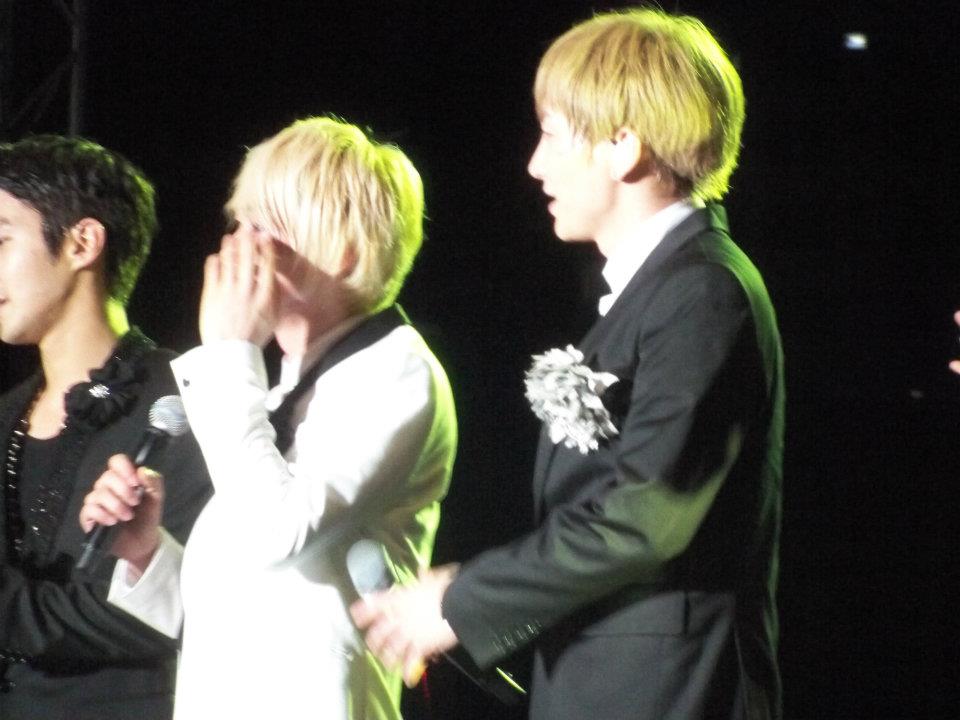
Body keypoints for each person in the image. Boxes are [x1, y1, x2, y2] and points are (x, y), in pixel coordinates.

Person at [352, 8, 784, 720]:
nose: (534, 164)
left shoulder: (705, 293)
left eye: (552, 135)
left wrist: (461, 600)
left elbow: (645, 515)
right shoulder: (656, 294)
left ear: (622, 146)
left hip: (670, 692)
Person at [80, 116, 457, 719]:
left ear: (342, 252)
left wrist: (230, 352)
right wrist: (146, 551)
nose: (238, 245)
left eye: (264, 226)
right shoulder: (283, 387)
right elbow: (245, 606)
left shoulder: (397, 371)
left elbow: (278, 531)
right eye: (240, 223)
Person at [0, 135, 212, 719]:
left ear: (82, 242)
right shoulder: (8, 416)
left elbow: (169, 608)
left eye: (2, 240)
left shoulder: (184, 402)